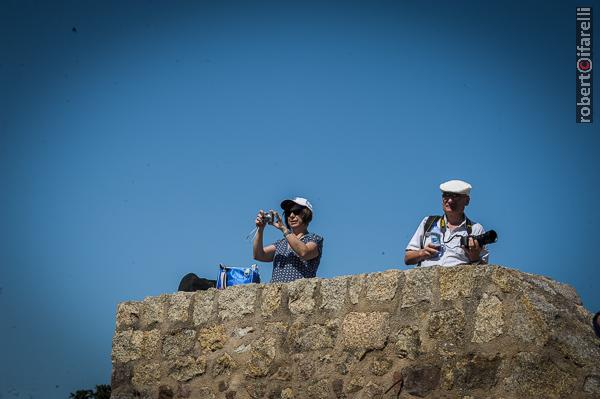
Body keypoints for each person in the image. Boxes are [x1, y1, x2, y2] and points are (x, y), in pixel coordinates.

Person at [405, 180, 489, 267]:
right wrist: (422, 253)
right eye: (446, 195)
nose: (449, 200)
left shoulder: (475, 229)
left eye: (456, 196)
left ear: (467, 201)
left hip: (458, 279)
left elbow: (484, 270)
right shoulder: (429, 222)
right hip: (427, 279)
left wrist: (474, 257)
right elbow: (407, 258)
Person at [253, 197, 324, 283]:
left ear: (307, 214)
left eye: (296, 211)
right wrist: (260, 229)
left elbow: (304, 253)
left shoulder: (314, 239)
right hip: (276, 294)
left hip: (301, 294)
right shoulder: (281, 243)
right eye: (288, 213)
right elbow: (258, 255)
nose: (291, 215)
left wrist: (284, 229)